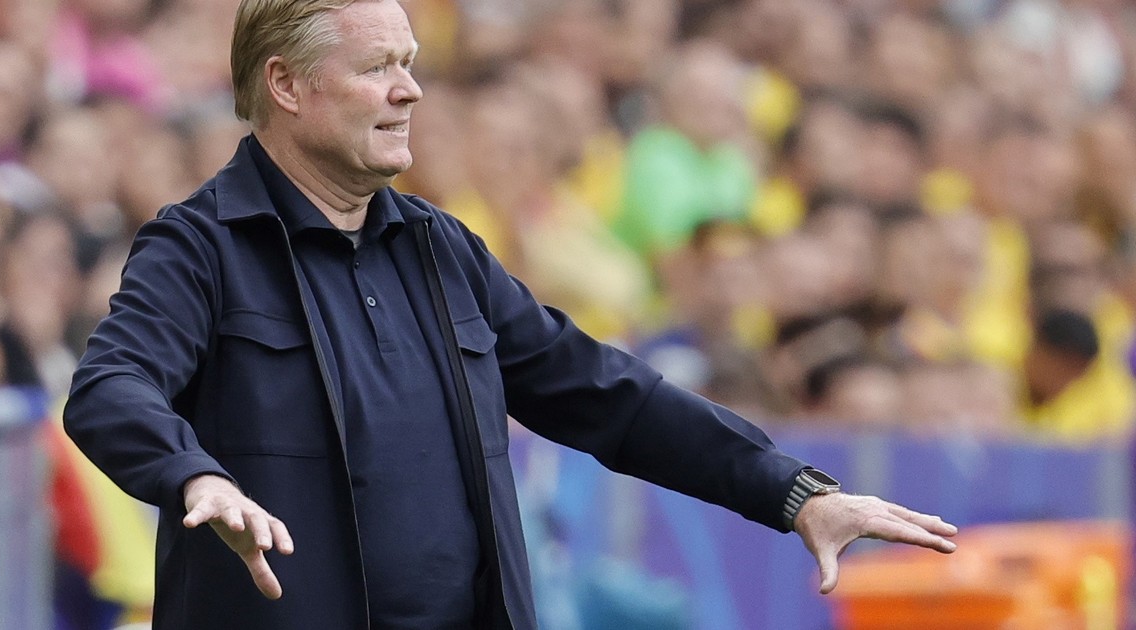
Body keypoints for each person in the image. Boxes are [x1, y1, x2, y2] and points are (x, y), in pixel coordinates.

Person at [62, 1, 958, 628]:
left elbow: (605, 394)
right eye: (378, 68)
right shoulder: (199, 246)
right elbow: (108, 386)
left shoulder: (442, 248)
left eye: (410, 64)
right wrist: (194, 476)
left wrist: (793, 492)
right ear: (286, 85)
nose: (410, 90)